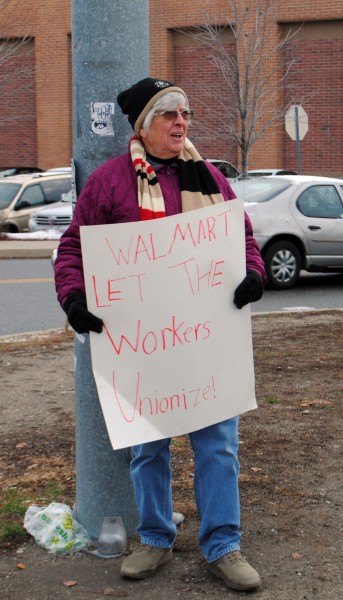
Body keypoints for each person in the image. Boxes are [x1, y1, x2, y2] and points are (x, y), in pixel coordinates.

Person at [54, 77, 266, 592]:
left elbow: (242, 239)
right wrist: (74, 298)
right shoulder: (108, 184)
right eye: (169, 112)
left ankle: (223, 545)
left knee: (218, 447)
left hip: (205, 345)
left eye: (186, 112)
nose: (181, 122)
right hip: (143, 352)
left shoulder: (211, 179)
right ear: (143, 125)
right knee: (149, 448)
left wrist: (254, 275)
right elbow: (74, 249)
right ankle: (156, 536)